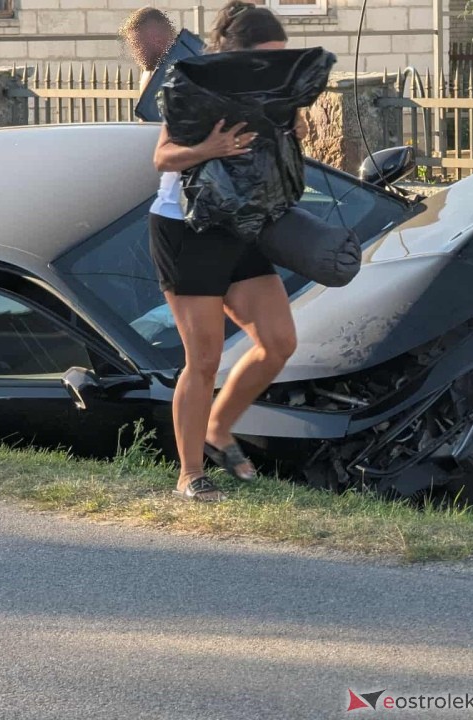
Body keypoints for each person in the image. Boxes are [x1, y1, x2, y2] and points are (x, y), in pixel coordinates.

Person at [149, 0, 298, 502]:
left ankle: (218, 428)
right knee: (205, 358)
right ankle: (190, 473)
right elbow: (163, 156)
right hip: (185, 228)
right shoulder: (194, 85)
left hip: (239, 224)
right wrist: (207, 150)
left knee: (278, 341)